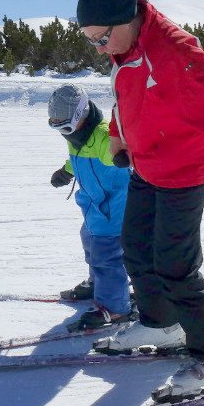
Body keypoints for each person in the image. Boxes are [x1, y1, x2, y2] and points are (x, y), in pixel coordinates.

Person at [75, 0, 204, 403]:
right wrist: (119, 135)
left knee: (176, 267)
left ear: (128, 18)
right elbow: (124, 96)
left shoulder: (176, 54)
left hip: (184, 172)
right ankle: (161, 323)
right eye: (92, 42)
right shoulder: (124, 44)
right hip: (146, 166)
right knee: (136, 248)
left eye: (102, 39)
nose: (100, 49)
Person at [47, 83, 134, 330]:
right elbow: (78, 157)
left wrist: (123, 156)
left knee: (107, 255)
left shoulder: (103, 136)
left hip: (113, 209)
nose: (61, 130)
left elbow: (120, 151)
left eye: (63, 123)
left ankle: (116, 308)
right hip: (95, 207)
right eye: (55, 123)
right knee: (89, 241)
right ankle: (98, 284)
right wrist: (65, 171)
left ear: (79, 115)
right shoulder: (77, 136)